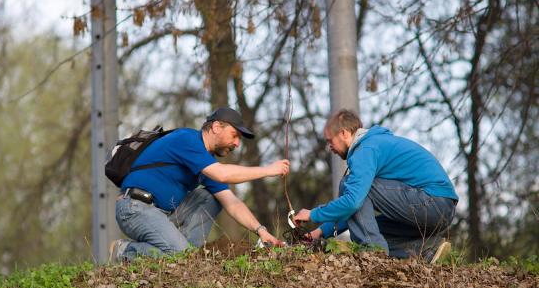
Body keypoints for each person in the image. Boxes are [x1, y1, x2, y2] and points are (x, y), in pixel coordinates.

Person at [109, 107, 288, 261]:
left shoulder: (205, 163)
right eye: (235, 135)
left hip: (162, 214)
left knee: (211, 198)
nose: (237, 143)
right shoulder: (187, 139)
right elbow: (223, 174)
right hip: (135, 208)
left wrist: (261, 230)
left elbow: (232, 203)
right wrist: (268, 170)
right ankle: (126, 252)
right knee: (183, 257)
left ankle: (185, 253)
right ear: (217, 127)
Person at [294, 109, 458, 263]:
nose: (330, 147)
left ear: (343, 133)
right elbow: (355, 211)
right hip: (439, 209)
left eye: (330, 141)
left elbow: (353, 201)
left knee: (350, 187)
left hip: (433, 202)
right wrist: (319, 232)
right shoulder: (374, 145)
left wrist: (312, 214)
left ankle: (373, 255)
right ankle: (425, 250)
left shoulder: (365, 149)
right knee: (368, 228)